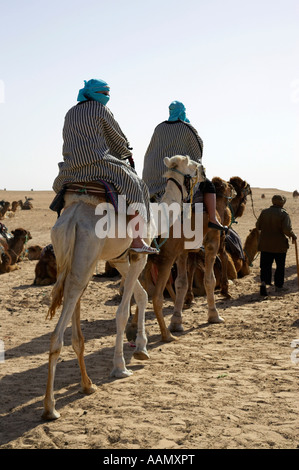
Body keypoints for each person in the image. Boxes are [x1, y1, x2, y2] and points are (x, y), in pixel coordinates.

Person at [52, 78, 158, 254]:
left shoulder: (70, 112)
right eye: (103, 93)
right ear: (93, 93)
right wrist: (125, 152)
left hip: (71, 168)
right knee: (136, 185)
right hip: (99, 163)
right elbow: (116, 136)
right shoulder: (100, 109)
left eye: (107, 93)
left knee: (59, 188)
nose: (106, 96)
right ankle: (138, 240)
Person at [142, 100, 228, 232]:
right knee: (209, 185)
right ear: (182, 112)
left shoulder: (159, 128)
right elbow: (198, 151)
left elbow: (151, 150)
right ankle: (212, 218)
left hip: (152, 177)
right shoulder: (187, 128)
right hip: (176, 176)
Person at [256, 194, 297, 295]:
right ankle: (278, 286)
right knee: (280, 266)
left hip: (265, 245)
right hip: (279, 246)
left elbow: (258, 226)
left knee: (265, 266)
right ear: (282, 203)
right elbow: (286, 229)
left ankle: (264, 284)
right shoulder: (284, 214)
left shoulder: (264, 212)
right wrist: (293, 235)